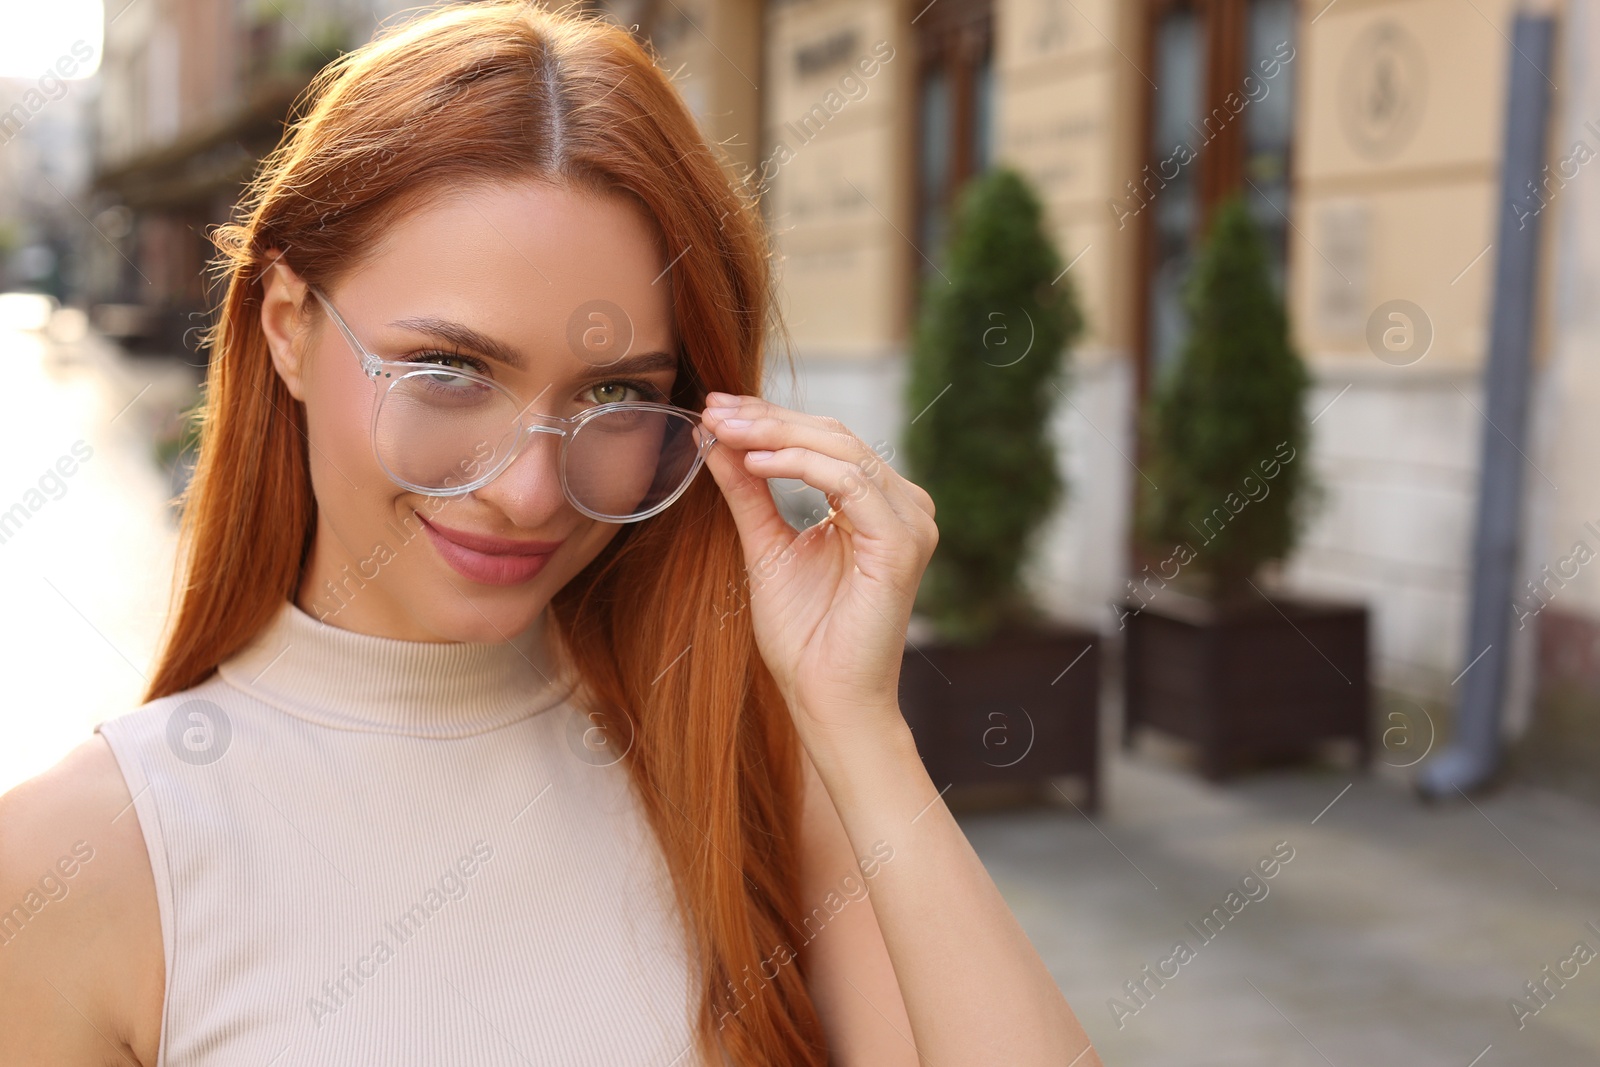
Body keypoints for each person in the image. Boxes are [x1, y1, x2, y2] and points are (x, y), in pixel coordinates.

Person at [0, 4, 1100, 1064]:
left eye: (615, 391)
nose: (530, 491)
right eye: (449, 371)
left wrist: (855, 720)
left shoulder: (742, 764)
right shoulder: (79, 861)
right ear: (287, 325)